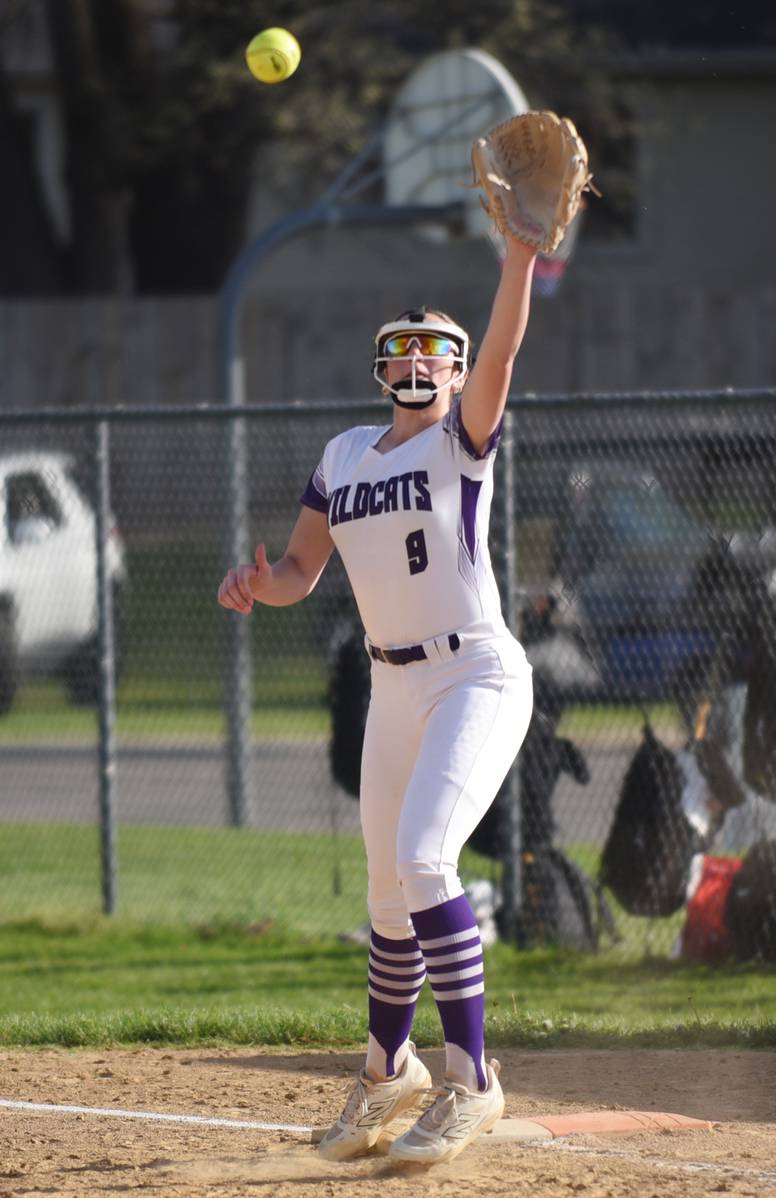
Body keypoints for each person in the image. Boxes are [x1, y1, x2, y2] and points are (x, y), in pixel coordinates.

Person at [217, 234, 538, 1164]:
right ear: (380, 364)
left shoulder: (458, 439)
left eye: (433, 346)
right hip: (390, 683)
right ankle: (387, 1073)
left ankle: (474, 1083)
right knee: (386, 896)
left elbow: (507, 353)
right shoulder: (346, 454)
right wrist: (256, 581)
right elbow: (299, 569)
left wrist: (517, 260)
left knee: (426, 860)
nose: (415, 359)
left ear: (455, 369)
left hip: (475, 671)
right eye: (402, 346)